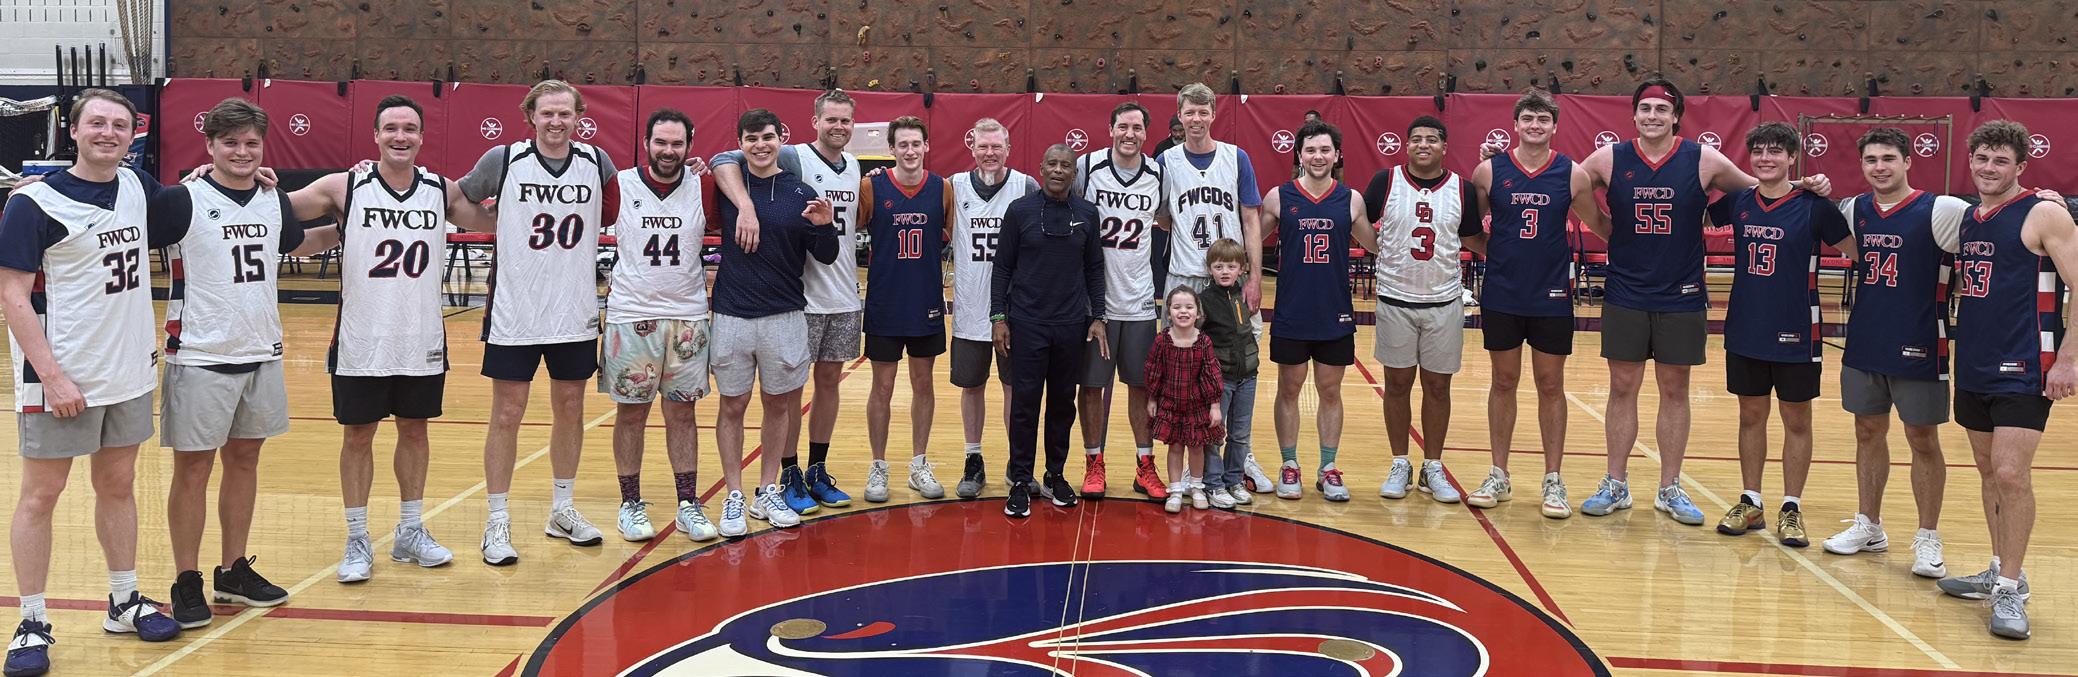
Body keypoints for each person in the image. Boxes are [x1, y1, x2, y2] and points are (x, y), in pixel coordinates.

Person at [1573, 78, 1829, 525]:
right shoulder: (1609, 158)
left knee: (1675, 389)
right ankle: (1616, 482)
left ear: (1676, 116)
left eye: (1662, 109)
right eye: (1645, 108)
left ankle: (1669, 486)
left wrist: (1808, 184)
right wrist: (1602, 226)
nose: (1653, 116)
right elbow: (1572, 188)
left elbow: (1763, 188)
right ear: (1634, 114)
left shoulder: (1703, 158)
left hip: (1682, 292)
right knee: (1622, 386)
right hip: (1627, 290)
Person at [2, 89, 179, 677]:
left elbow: (196, 205)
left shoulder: (137, 186)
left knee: (119, 485)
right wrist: (51, 377)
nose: (108, 133)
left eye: (119, 125)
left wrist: (240, 176)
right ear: (73, 131)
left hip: (126, 370)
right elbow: (12, 295)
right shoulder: (33, 203)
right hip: (60, 377)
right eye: (96, 123)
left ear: (133, 135)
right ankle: (30, 622)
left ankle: (124, 600)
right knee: (41, 496)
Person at [284, 95, 496, 584]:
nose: (401, 136)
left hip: (420, 337)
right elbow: (280, 208)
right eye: (391, 128)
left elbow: (493, 220)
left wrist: (524, 195)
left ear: (422, 137)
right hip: (361, 338)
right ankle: (357, 537)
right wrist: (221, 179)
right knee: (358, 436)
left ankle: (410, 530)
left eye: (409, 129)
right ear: (376, 135)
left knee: (415, 431)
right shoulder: (345, 185)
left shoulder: (440, 190)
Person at [154, 97, 339, 627]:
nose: (241, 152)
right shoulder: (181, 200)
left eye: (251, 143)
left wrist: (356, 226)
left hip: (261, 351)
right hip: (200, 353)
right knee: (193, 469)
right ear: (209, 145)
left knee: (245, 461)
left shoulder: (272, 198)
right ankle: (186, 578)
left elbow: (297, 244)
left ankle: (233, 569)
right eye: (230, 142)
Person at [455, 79, 616, 565]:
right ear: (531, 116)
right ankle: (497, 518)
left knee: (570, 408)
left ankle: (561, 509)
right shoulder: (503, 159)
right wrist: (495, 224)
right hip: (515, 310)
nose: (556, 121)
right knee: (507, 413)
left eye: (564, 113)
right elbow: (456, 199)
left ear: (578, 116)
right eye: (547, 113)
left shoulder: (597, 162)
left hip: (573, 309)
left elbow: (625, 204)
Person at [1935, 119, 2078, 640]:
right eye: (1982, 158)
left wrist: (2068, 359)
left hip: (2025, 367)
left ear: (2021, 166)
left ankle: (2012, 589)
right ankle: (1999, 568)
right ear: (1970, 161)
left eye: (2001, 160)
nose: (1989, 168)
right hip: (1974, 363)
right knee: (1989, 474)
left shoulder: (2043, 212)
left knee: (2012, 473)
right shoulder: (1969, 218)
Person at [1820, 127, 1971, 574]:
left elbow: (1996, 225)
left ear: (1907, 162)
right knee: (1867, 431)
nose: (1879, 167)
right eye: (1871, 160)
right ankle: (1869, 525)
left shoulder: (1943, 209)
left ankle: (1928, 536)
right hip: (1866, 339)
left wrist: (2044, 199)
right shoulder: (1853, 209)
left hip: (1921, 340)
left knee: (1922, 438)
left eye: (1888, 158)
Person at [711, 89, 861, 515]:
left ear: (781, 139)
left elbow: (826, 253)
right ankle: (739, 493)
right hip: (736, 313)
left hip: (793, 309)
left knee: (787, 398)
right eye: (752, 138)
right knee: (735, 404)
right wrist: (745, 206)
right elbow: (719, 161)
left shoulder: (804, 188)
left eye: (768, 137)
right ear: (741, 142)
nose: (761, 145)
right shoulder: (730, 183)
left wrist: (825, 226)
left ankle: (776, 485)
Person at [1706, 123, 1854, 547]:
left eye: (1775, 151)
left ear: (1792, 158)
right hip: (1745, 327)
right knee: (1750, 416)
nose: (1765, 158)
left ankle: (1791, 507)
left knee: (1797, 420)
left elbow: (1860, 251)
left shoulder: (1815, 206)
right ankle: (1751, 501)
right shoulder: (1738, 201)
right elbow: (1690, 215)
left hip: (1797, 330)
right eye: (1759, 151)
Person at [1464, 90, 1602, 517]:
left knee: (1550, 384)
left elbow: (1598, 223)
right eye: (1528, 118)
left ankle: (1553, 479)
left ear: (1554, 126)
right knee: (1503, 381)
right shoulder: (1489, 171)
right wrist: (1500, 254)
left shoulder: (1572, 173)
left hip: (1552, 294)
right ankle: (1499, 473)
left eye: (1543, 119)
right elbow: (1469, 229)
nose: (1535, 125)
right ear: (1516, 124)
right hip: (1503, 293)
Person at [602, 108, 720, 543]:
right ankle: (629, 504)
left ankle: (688, 504)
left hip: (688, 315)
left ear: (689, 145)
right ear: (646, 143)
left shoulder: (704, 186)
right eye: (661, 142)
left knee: (682, 414)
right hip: (632, 315)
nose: (668, 151)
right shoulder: (620, 184)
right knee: (631, 413)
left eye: (677, 143)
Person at [1157, 82, 1275, 492]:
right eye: (1189, 112)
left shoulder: (1236, 157)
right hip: (1185, 277)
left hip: (1230, 276)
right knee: (1182, 371)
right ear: (1179, 115)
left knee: (1240, 366)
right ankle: (1191, 465)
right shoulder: (1166, 161)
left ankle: (1242, 456)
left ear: (1213, 114)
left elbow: (1250, 219)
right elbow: (1163, 218)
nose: (1196, 119)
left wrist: (1254, 277)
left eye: (1203, 112)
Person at [1365, 115, 1481, 505]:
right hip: (1395, 299)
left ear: (1444, 147)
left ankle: (1433, 466)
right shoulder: (1385, 181)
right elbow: (1357, 219)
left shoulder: (1463, 189)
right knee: (1396, 385)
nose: (1423, 145)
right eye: (1416, 139)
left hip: (1444, 302)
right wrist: (1380, 250)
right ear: (1407, 145)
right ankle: (1400, 462)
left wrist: (1512, 254)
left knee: (1438, 387)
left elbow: (1472, 236)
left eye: (1432, 139)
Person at [1261, 121, 1378, 501]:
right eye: (1310, 150)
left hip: (1334, 311)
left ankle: (1328, 467)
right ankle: (1289, 464)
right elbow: (1250, 240)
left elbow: (1374, 244)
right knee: (1289, 388)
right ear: (1299, 155)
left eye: (1325, 150)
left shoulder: (1351, 200)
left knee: (1330, 390)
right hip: (1292, 309)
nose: (1318, 156)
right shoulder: (1279, 197)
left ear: (1337, 155)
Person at [991, 144, 1108, 518]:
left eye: (1066, 165)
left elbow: (1094, 268)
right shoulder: (1019, 211)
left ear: (1075, 173)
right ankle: (1021, 480)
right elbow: (1002, 267)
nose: (1058, 170)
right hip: (1027, 323)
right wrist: (998, 318)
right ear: (1041, 168)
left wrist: (1098, 315)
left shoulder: (1087, 214)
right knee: (1024, 405)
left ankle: (1056, 474)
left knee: (1061, 405)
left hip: (1070, 325)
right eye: (1052, 164)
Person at [1075, 101, 1169, 500]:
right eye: (1123, 127)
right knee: (1091, 386)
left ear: (1146, 133)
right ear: (1110, 129)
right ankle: (1093, 462)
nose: (1130, 134)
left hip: (1140, 298)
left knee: (1140, 385)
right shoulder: (1087, 167)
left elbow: (1166, 218)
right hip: (1094, 301)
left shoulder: (1158, 174)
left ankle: (1145, 465)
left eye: (1137, 128)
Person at [857, 115, 950, 502]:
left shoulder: (942, 188)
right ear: (891, 149)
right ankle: (878, 465)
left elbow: (954, 237)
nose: (910, 151)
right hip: (885, 302)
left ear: (926, 146)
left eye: (916, 144)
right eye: (903, 145)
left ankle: (918, 463)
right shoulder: (871, 186)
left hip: (926, 301)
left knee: (923, 384)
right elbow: (847, 233)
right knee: (882, 386)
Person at [948, 118, 1037, 498]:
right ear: (972, 149)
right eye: (983, 146)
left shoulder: (1026, 186)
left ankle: (1018, 463)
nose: (989, 153)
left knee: (1015, 388)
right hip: (970, 307)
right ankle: (973, 458)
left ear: (1008, 149)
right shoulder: (954, 186)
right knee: (972, 386)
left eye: (996, 146)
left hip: (1016, 311)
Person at [1143, 286, 1224, 513]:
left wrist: (1215, 405)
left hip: (1197, 406)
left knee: (1197, 448)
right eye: (1177, 307)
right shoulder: (1162, 341)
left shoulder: (1203, 342)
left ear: (1198, 313)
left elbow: (1211, 374)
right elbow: (1153, 371)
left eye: (1189, 307)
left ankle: (1197, 487)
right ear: (1168, 313)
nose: (1183, 311)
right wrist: (1152, 398)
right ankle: (1176, 490)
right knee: (1175, 447)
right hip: (1171, 404)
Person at [1198, 239, 1263, 509]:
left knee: (1240, 434)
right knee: (1215, 433)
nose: (1225, 271)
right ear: (1209, 269)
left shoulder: (1245, 296)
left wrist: (1252, 359)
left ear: (1242, 269)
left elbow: (1253, 331)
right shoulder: (1204, 301)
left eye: (1231, 266)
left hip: (1247, 376)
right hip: (1219, 379)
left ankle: (1234, 479)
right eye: (1219, 266)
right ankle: (1213, 483)